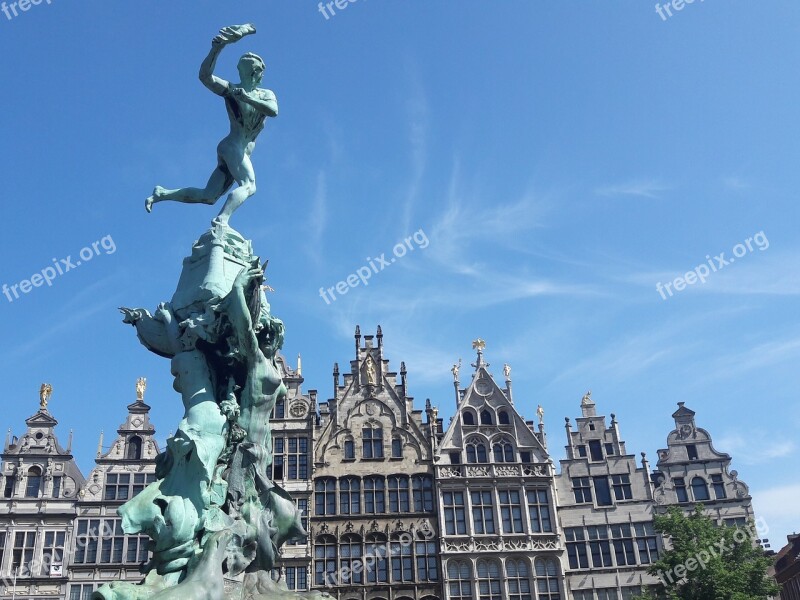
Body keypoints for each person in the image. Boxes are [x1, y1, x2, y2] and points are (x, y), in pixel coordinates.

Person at [145, 24, 278, 226]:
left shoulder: (264, 95)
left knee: (209, 196)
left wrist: (247, 98)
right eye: (261, 72)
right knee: (249, 185)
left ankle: (162, 193)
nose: (262, 76)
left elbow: (272, 110)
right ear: (257, 72)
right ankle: (221, 220)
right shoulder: (231, 90)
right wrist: (217, 49)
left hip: (235, 151)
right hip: (233, 147)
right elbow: (205, 77)